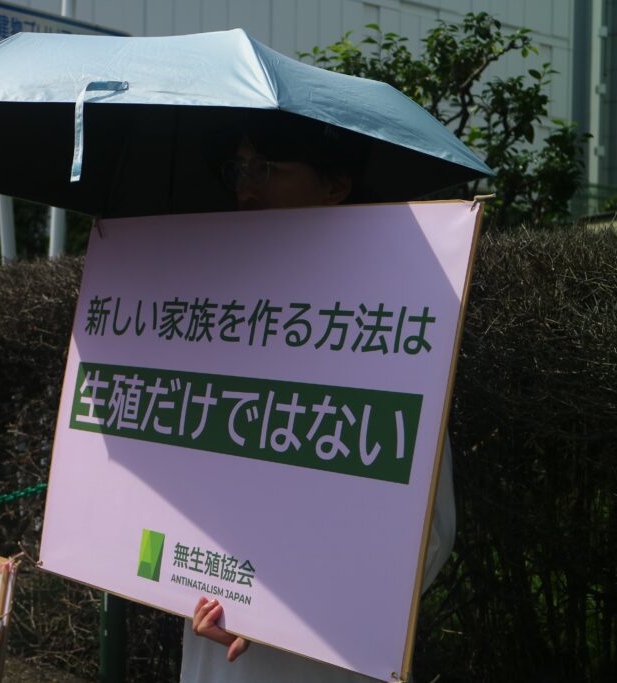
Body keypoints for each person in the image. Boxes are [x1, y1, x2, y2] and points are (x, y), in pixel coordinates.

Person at [180, 115, 457, 682]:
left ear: (335, 185)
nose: (246, 186)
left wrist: (281, 611)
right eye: (238, 168)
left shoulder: (382, 325)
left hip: (321, 660)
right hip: (210, 647)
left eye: (268, 167)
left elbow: (424, 536)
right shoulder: (209, 317)